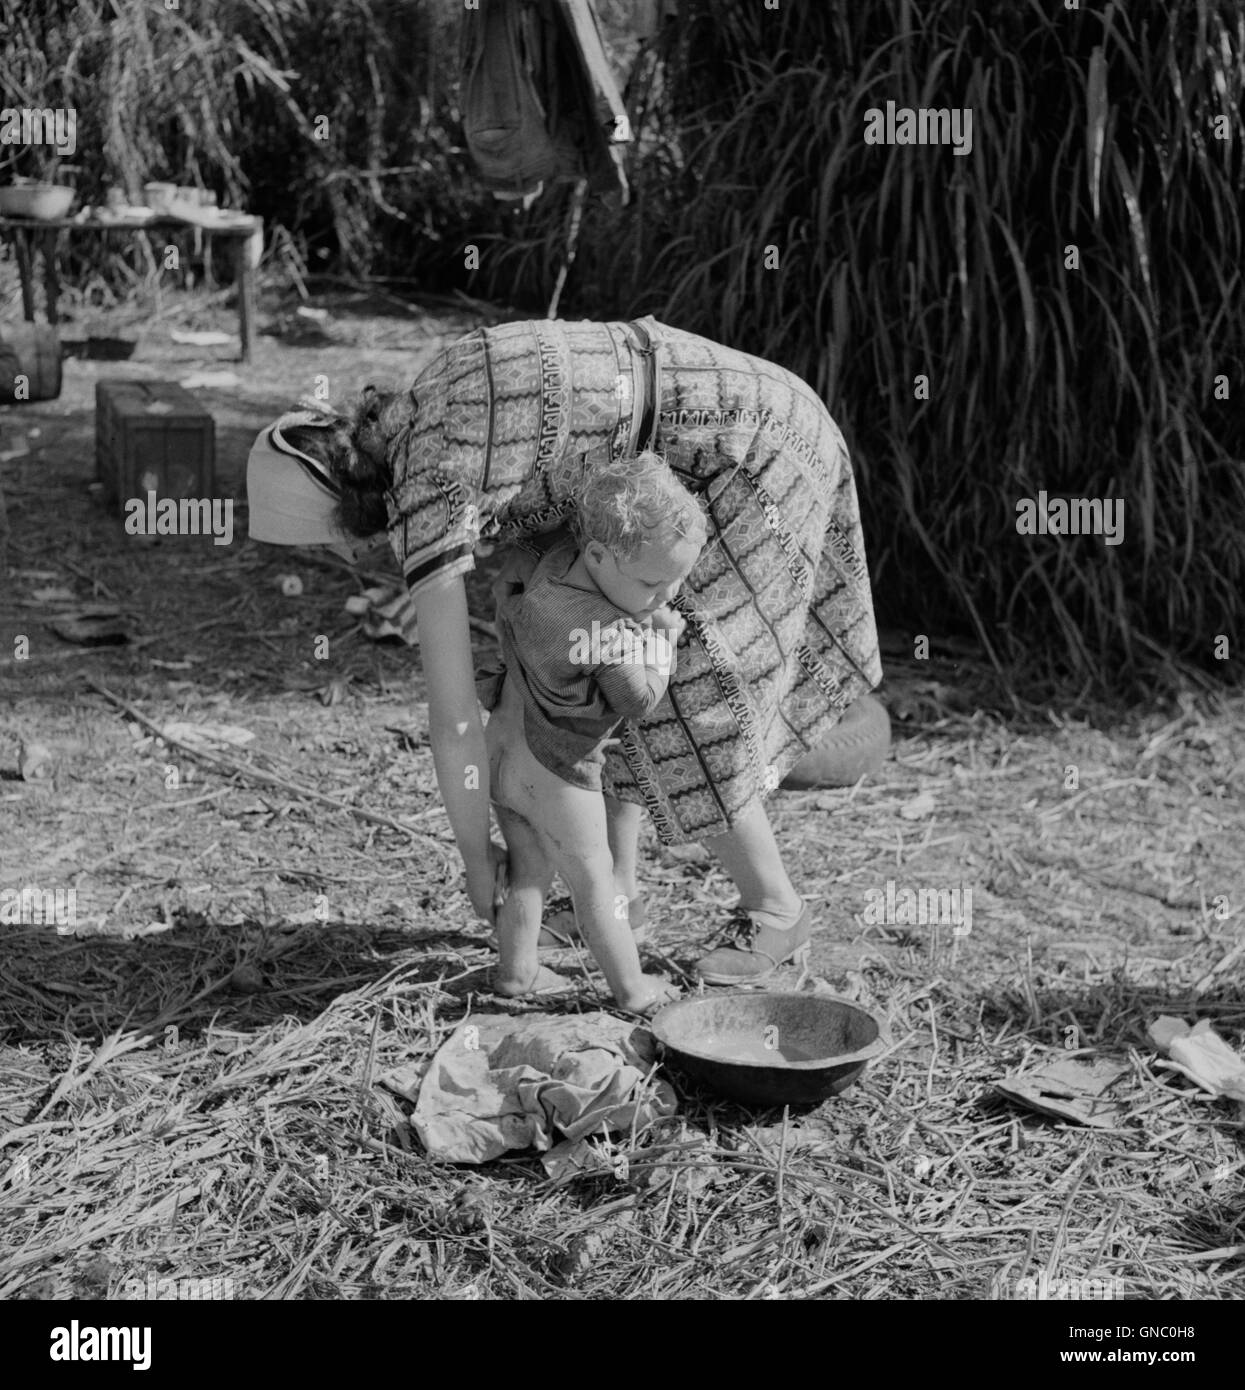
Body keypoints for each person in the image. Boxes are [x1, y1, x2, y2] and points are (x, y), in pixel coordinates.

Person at [247, 316, 883, 983]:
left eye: (339, 541)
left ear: (346, 507)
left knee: (683, 689)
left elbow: (453, 718)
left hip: (748, 447)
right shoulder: (418, 412)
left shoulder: (429, 489)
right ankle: (616, 899)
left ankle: (776, 910)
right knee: (591, 657)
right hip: (708, 426)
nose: (353, 554)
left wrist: (474, 860)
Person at [486, 452, 702, 1013]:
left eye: (678, 580)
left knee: (529, 868)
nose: (667, 596)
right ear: (601, 555)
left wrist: (644, 603)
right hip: (556, 769)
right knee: (596, 880)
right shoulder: (605, 629)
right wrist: (661, 643)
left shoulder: (554, 562)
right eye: (655, 583)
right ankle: (632, 992)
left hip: (503, 751)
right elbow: (638, 699)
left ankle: (514, 974)